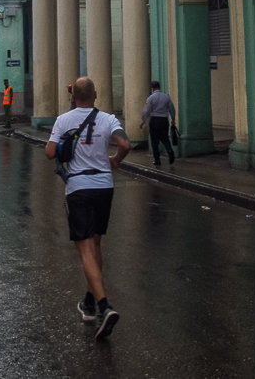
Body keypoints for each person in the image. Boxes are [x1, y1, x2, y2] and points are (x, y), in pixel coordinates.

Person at [45, 77, 131, 341]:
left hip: (78, 187)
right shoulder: (108, 119)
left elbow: (49, 153)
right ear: (95, 94)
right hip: (104, 186)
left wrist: (63, 146)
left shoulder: (63, 120)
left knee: (84, 249)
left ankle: (105, 306)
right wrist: (115, 159)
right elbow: (125, 144)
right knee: (95, 245)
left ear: (74, 96)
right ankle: (89, 303)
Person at [140, 80, 176, 166]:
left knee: (154, 141)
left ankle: (157, 160)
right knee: (165, 138)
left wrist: (142, 121)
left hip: (155, 120)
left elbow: (146, 111)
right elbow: (172, 109)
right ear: (159, 87)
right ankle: (170, 150)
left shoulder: (150, 98)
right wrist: (173, 119)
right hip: (164, 120)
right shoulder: (166, 97)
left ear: (152, 88)